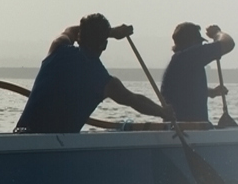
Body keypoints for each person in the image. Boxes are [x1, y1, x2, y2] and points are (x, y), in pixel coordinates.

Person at [13, 14, 172, 133]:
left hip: (21, 137)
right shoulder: (105, 82)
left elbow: (70, 30)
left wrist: (112, 32)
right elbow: (135, 100)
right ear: (104, 45)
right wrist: (163, 112)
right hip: (55, 149)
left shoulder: (58, 49)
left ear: (80, 38)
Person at [158, 22, 235, 125]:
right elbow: (228, 43)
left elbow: (185, 90)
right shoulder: (189, 56)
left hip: (182, 128)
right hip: (187, 130)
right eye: (200, 43)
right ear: (193, 42)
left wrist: (210, 92)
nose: (202, 45)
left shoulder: (180, 62)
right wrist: (217, 33)